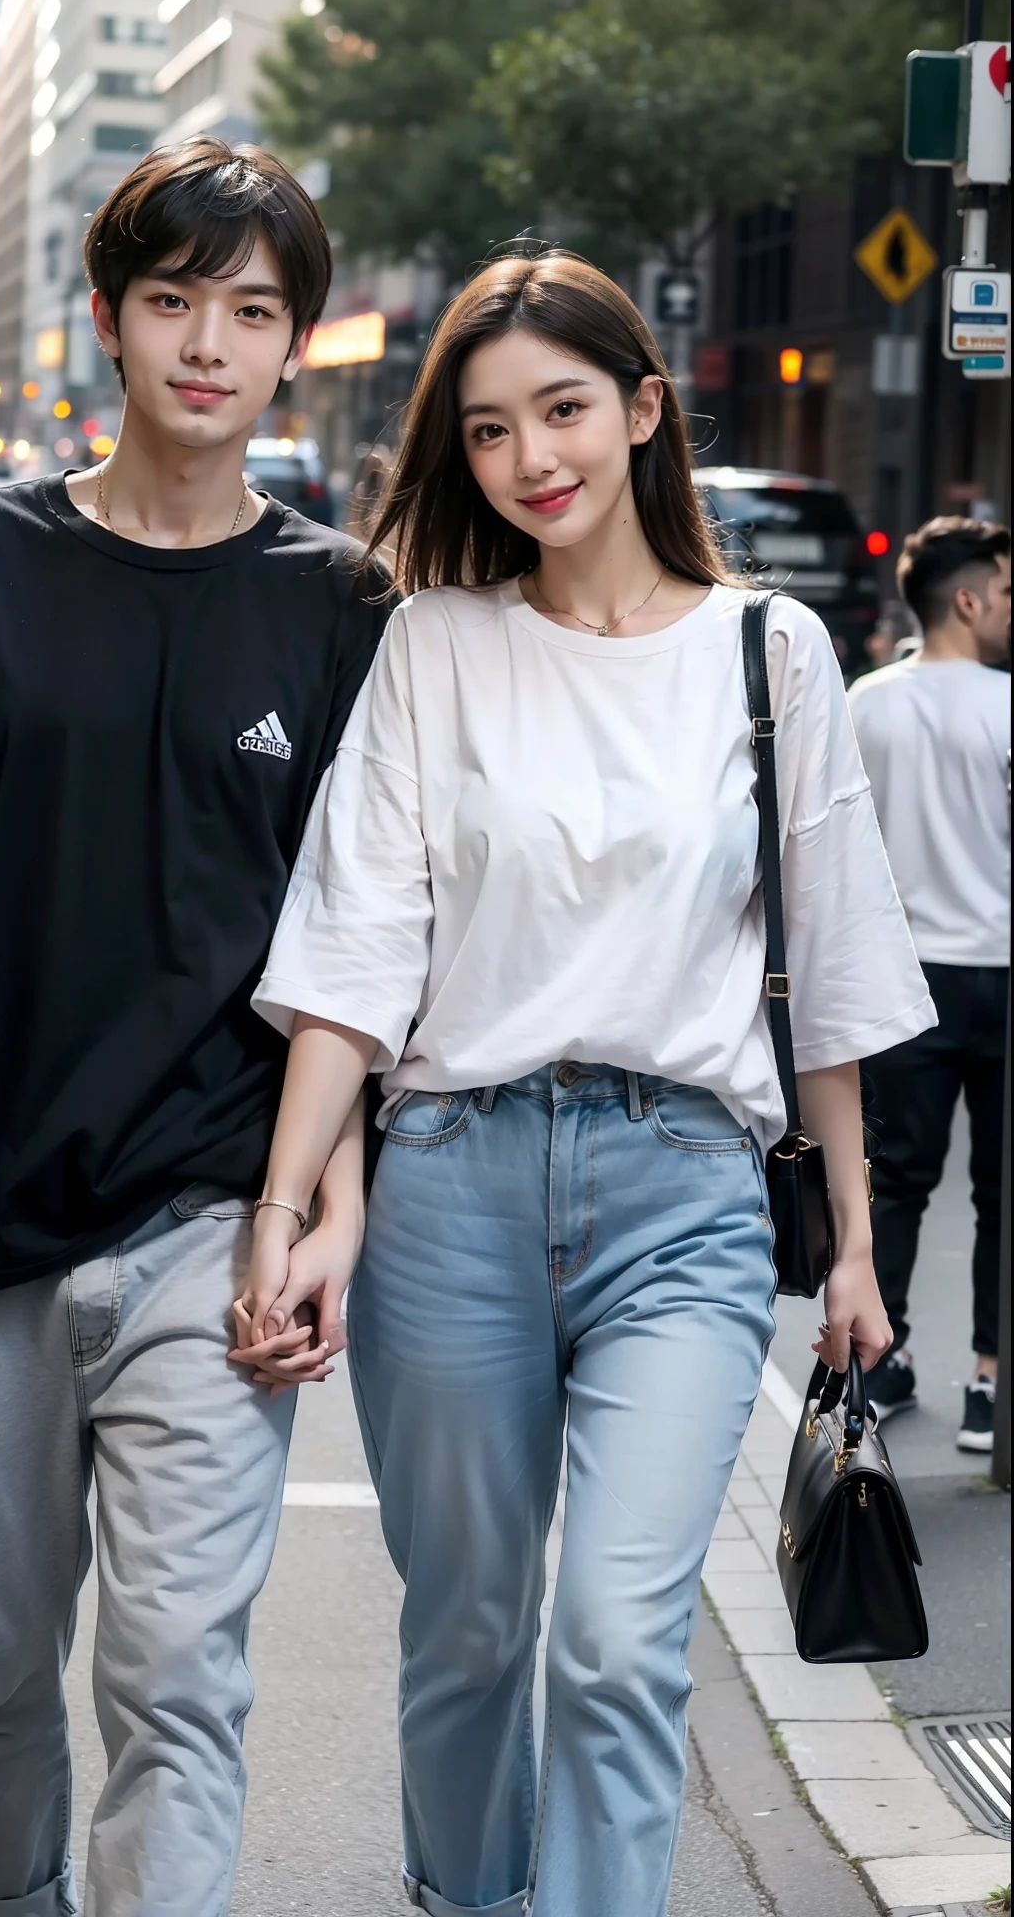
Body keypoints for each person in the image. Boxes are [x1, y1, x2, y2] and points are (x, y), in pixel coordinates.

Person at [232, 251, 934, 1917]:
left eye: (561, 408)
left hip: (681, 1191)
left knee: (619, 1637)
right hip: (451, 1190)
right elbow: (352, 946)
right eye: (487, 430)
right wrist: (290, 1207)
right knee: (469, 1624)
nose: (530, 455)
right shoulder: (437, 646)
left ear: (640, 407)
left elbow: (828, 968)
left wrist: (850, 1248)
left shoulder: (773, 653)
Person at [0, 139, 386, 1917]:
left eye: (252, 310)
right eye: (174, 298)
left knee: (181, 1678)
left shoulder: (345, 608)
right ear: (108, 317)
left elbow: (374, 949)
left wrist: (336, 1204)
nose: (209, 341)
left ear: (292, 344)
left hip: (210, 1232)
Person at [848, 517, 1011, 1450]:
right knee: (1001, 1189)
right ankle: (992, 1383)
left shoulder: (868, 701)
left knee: (897, 1183)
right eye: (1006, 594)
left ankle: (882, 1359)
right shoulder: (1007, 705)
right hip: (1003, 971)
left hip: (905, 980)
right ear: (967, 599)